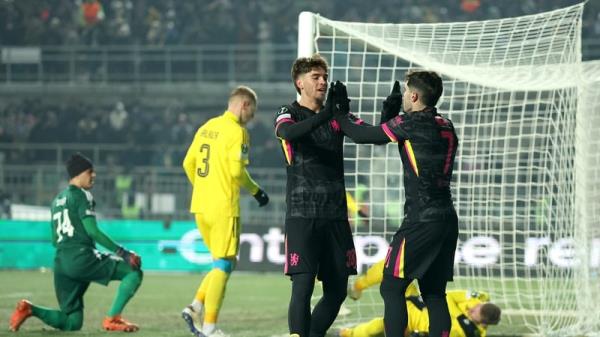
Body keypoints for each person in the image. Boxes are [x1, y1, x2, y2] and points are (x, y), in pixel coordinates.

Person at [331, 71, 459, 337]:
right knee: (434, 293)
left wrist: (341, 113)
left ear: (413, 95)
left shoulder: (410, 123)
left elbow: (362, 134)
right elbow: (392, 136)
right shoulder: (446, 124)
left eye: (405, 93)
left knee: (391, 287)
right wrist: (389, 118)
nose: (402, 98)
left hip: (420, 220)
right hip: (446, 217)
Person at [275, 54, 370, 337]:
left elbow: (365, 134)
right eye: (315, 77)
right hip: (302, 214)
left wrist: (391, 118)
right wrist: (327, 114)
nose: (323, 82)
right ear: (299, 82)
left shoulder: (336, 115)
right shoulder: (288, 111)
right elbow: (288, 133)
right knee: (302, 287)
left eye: (325, 77)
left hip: (336, 215)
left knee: (338, 289)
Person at [9, 153, 143, 332]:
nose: (94, 175)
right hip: (81, 258)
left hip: (61, 264)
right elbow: (93, 231)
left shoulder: (56, 200)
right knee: (133, 272)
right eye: (90, 171)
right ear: (79, 173)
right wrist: (123, 253)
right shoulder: (82, 195)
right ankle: (113, 319)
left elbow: (55, 239)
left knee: (72, 322)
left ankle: (29, 309)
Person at [181, 85, 269, 337]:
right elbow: (235, 172)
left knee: (223, 263)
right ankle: (208, 327)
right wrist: (256, 191)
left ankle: (195, 306)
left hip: (200, 205)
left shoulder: (207, 126)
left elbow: (188, 163)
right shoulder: (237, 133)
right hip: (223, 208)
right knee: (223, 264)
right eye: (252, 111)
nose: (252, 117)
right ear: (244, 105)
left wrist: (203, 188)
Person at [340, 263, 501, 337]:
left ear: (482, 324)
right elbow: (450, 296)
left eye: (474, 313)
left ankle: (349, 334)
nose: (471, 309)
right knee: (392, 267)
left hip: (410, 321)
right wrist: (480, 299)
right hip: (415, 299)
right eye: (476, 307)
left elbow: (447, 303)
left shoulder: (467, 333)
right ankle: (358, 287)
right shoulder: (478, 300)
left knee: (379, 325)